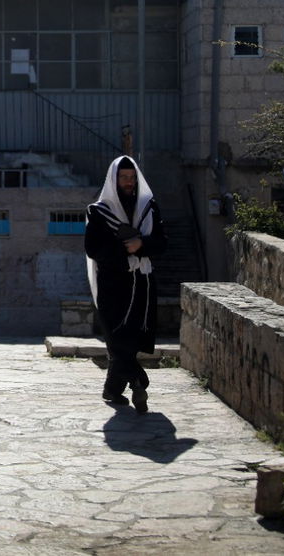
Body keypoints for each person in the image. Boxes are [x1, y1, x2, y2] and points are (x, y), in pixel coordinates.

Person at [84, 156, 166, 413]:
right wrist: (124, 252)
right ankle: (139, 382)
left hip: (142, 283)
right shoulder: (99, 211)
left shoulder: (148, 207)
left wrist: (142, 245)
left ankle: (112, 389)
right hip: (112, 284)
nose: (129, 183)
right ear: (114, 180)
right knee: (117, 337)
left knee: (130, 339)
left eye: (132, 178)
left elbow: (162, 242)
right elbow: (93, 249)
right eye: (124, 178)